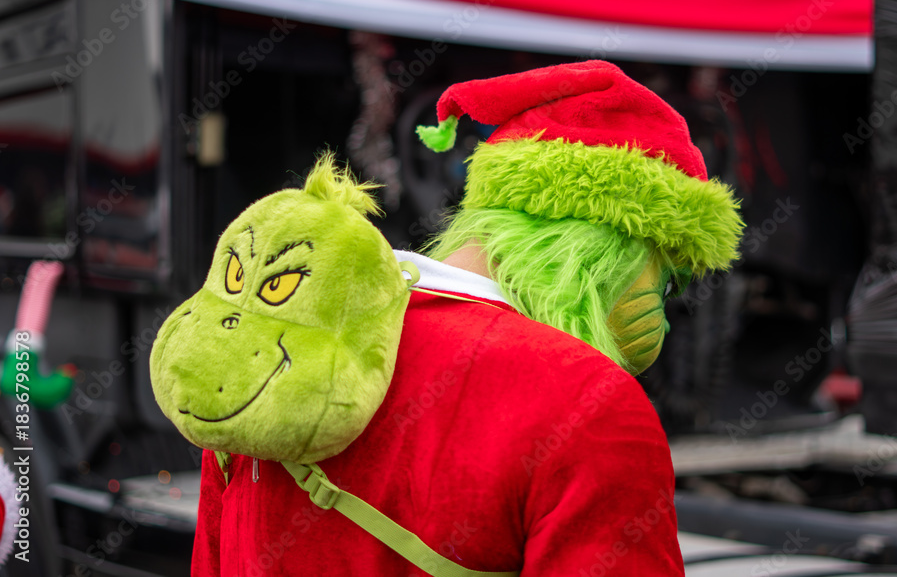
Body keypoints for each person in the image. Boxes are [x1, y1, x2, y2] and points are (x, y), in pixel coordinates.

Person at [188, 60, 741, 575]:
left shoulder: (276, 334)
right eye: (668, 280)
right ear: (608, 248)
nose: (664, 320)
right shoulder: (592, 405)